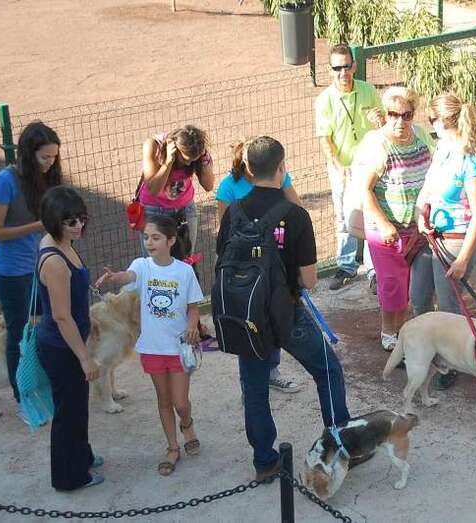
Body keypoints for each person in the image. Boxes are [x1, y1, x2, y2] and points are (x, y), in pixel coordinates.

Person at [216, 136, 350, 480]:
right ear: (282, 167)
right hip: (287, 312)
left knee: (255, 389)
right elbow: (309, 280)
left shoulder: (233, 212)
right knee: (328, 372)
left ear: (247, 169)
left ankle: (264, 461)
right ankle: (339, 443)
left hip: (247, 314)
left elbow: (223, 257)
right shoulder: (295, 215)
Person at [95, 215, 204, 476]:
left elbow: (193, 308)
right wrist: (116, 277)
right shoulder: (142, 266)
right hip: (153, 349)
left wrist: (192, 326)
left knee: (180, 402)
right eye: (146, 238)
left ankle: (187, 423)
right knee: (164, 400)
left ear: (171, 240)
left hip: (178, 349)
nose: (149, 243)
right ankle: (172, 447)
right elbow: (129, 276)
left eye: (156, 238)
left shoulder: (185, 271)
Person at [411, 92, 476, 389]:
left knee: (448, 307)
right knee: (418, 297)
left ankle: (451, 362)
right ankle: (431, 351)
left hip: (457, 240)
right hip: (433, 237)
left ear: (444, 121)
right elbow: (428, 189)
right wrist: (421, 213)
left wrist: (463, 259)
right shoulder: (443, 149)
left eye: (432, 119)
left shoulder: (473, 162)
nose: (431, 124)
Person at [216, 139, 302, 394]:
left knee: (273, 319)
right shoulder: (228, 187)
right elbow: (225, 230)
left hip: (276, 262)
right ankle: (250, 385)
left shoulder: (279, 178)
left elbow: (297, 209)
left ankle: (271, 372)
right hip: (247, 268)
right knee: (248, 323)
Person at [353, 86, 435, 352]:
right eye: (393, 114)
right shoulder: (377, 144)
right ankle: (389, 332)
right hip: (386, 229)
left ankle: (403, 331)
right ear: (386, 114)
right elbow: (365, 190)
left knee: (410, 283)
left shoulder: (421, 135)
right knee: (392, 284)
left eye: (406, 115)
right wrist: (384, 224)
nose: (400, 121)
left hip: (418, 228)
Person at [0, 121, 62, 407]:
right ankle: (22, 395)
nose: (50, 163)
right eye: (45, 157)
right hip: (11, 271)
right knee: (19, 331)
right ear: (28, 154)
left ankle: (41, 382)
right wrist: (38, 226)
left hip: (38, 264)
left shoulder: (45, 178)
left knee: (49, 323)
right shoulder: (5, 181)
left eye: (54, 157)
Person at [35, 186, 102, 491]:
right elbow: (61, 316)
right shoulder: (55, 261)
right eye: (70, 221)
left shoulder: (60, 242)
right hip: (62, 348)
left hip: (67, 342)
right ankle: (69, 477)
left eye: (81, 219)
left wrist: (89, 318)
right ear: (54, 221)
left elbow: (72, 300)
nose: (78, 226)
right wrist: (84, 357)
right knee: (69, 412)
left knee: (76, 407)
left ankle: (81, 457)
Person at [315, 43, 384, 292]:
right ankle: (346, 266)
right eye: (337, 68)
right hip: (342, 166)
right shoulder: (325, 100)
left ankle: (375, 271)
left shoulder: (368, 90)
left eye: (346, 66)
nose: (342, 72)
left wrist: (380, 120)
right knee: (344, 217)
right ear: (330, 70)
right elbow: (325, 138)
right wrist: (338, 166)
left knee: (372, 215)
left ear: (354, 66)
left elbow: (383, 124)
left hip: (369, 165)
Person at [140, 125, 214, 259]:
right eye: (185, 159)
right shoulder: (154, 146)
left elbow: (208, 186)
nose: (188, 164)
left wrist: (203, 160)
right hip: (154, 211)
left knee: (184, 260)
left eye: (192, 160)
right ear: (175, 148)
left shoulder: (198, 153)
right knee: (154, 262)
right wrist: (168, 162)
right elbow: (154, 190)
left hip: (185, 211)